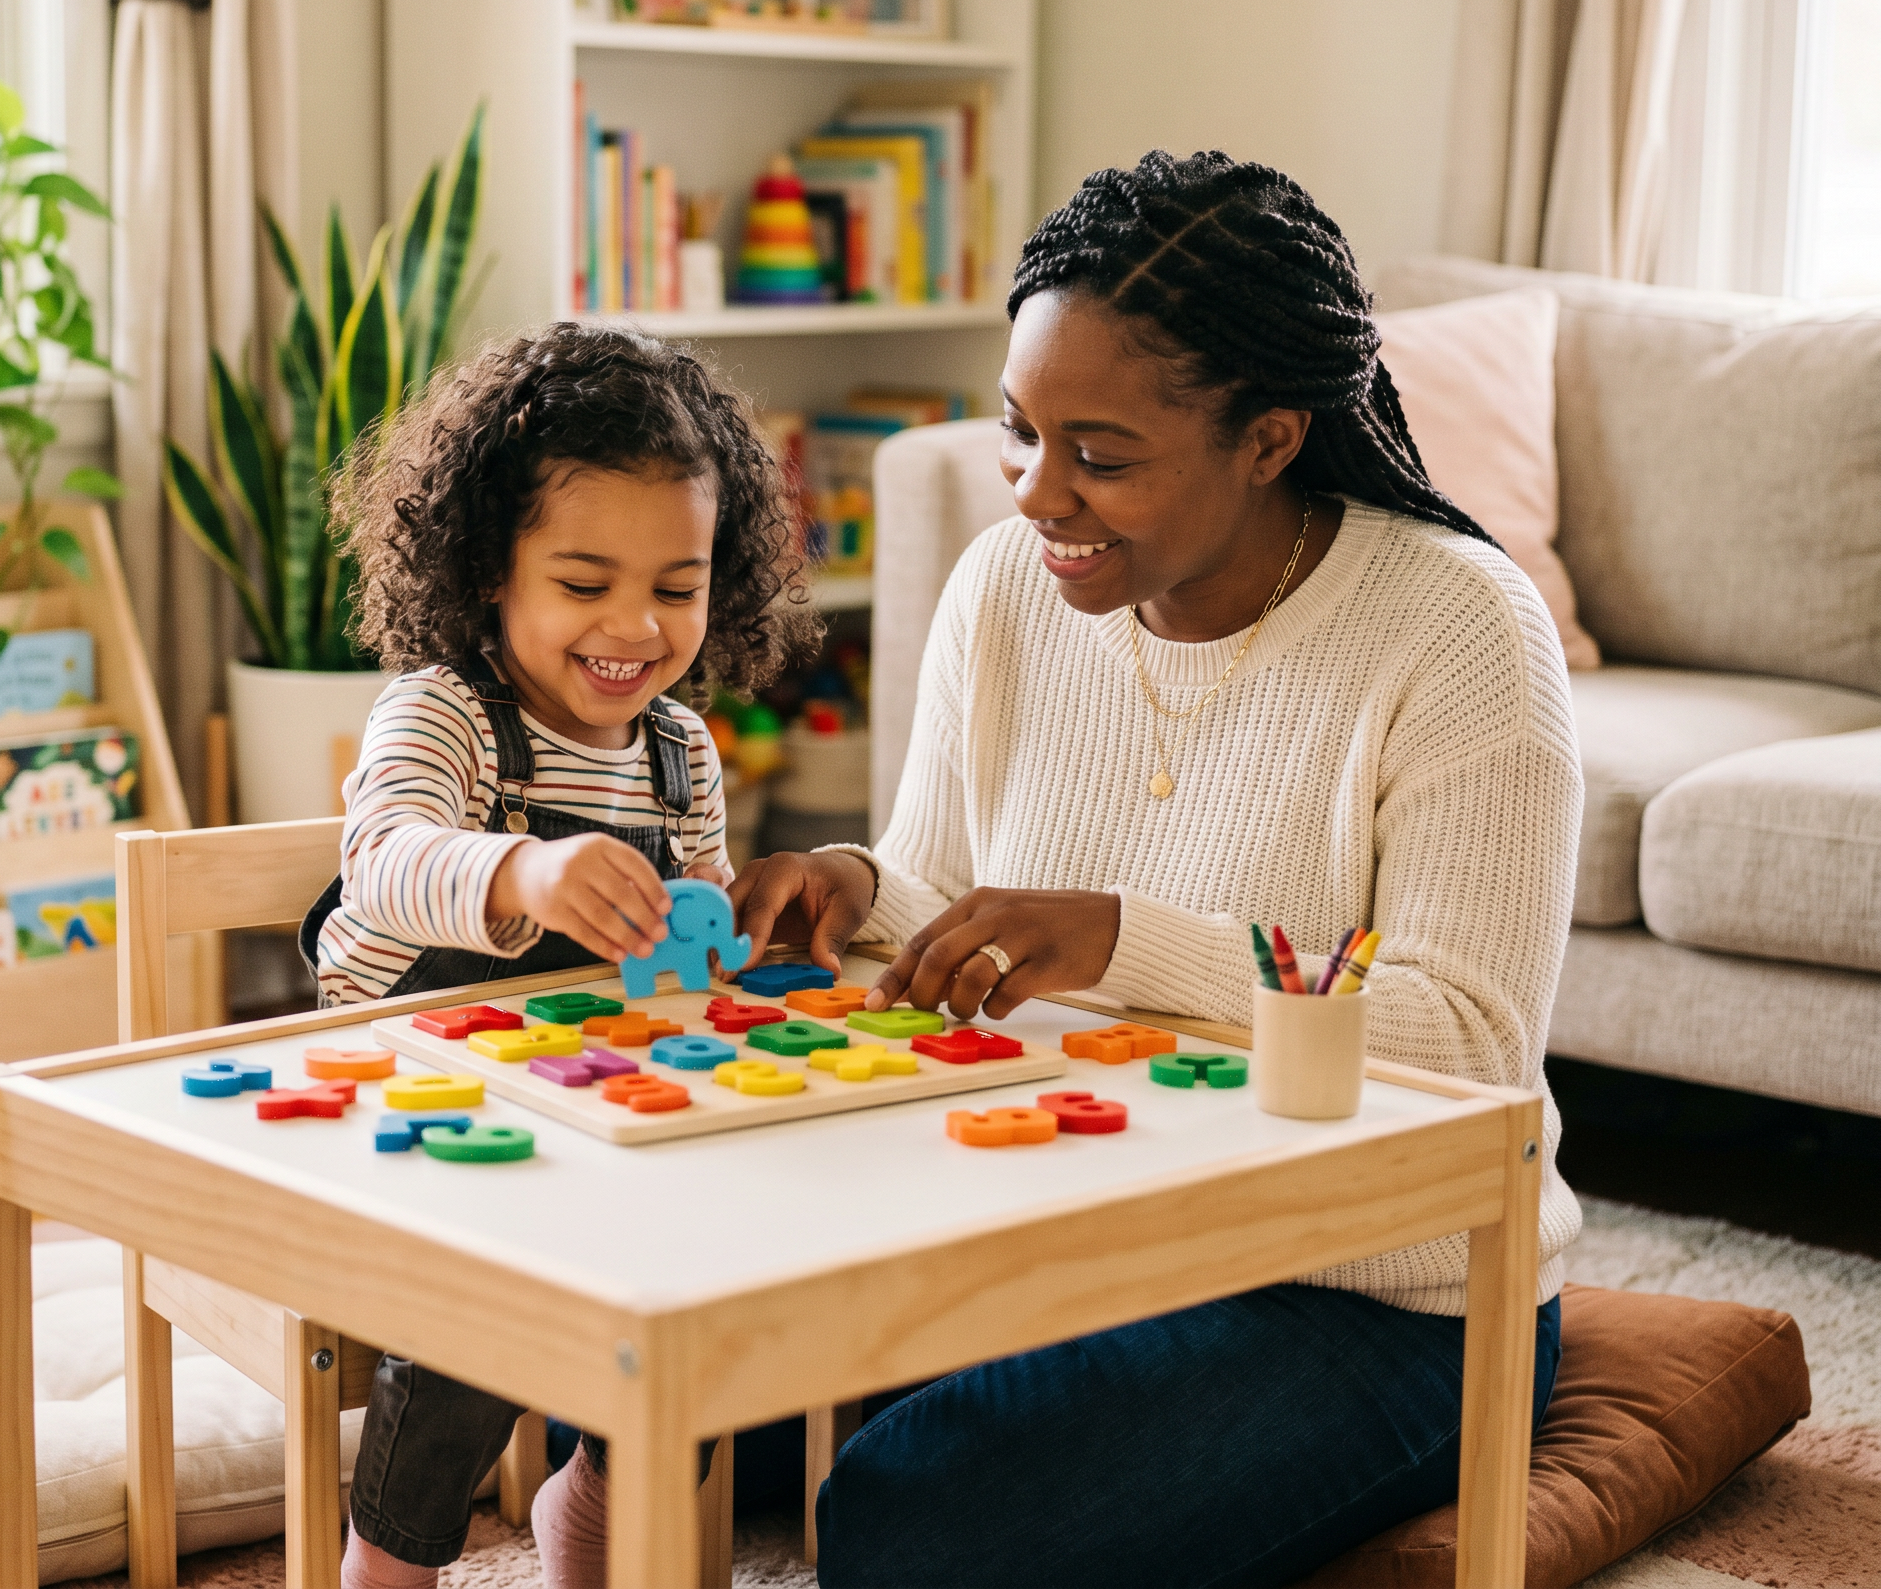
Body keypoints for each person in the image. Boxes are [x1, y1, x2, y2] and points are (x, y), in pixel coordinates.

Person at [733, 151, 1585, 1588]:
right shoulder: (1011, 586)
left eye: (1103, 456)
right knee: (626, 1384)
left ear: (1268, 439)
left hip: (1365, 1285)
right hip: (1065, 1222)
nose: (1037, 495)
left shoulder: (1460, 633)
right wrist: (859, 891)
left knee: (910, 1524)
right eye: (1021, 434)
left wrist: (1120, 937)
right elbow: (946, 888)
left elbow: (1473, 1049)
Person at [305, 323, 816, 1589]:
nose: (634, 627)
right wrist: (523, 871)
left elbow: (684, 944)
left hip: (580, 1088)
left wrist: (727, 940)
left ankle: (598, 1500)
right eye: (584, 585)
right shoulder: (444, 710)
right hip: (403, 1089)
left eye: (677, 588)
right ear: (492, 568)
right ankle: (392, 1558)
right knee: (492, 1280)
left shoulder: (679, 749)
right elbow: (384, 858)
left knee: (700, 1260)